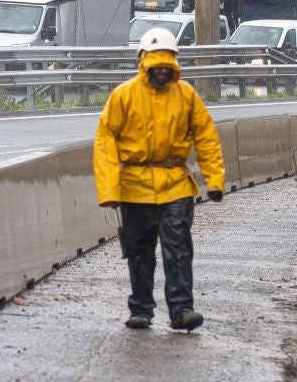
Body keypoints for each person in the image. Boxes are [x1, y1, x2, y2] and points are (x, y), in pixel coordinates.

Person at [94, 27, 225, 331]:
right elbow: (105, 144)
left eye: (167, 64)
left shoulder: (186, 96)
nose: (162, 70)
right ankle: (141, 309)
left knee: (178, 246)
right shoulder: (123, 96)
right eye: (157, 64)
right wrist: (109, 189)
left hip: (175, 183)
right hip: (133, 186)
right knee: (139, 251)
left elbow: (206, 137)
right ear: (144, 61)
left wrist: (214, 179)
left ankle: (182, 310)